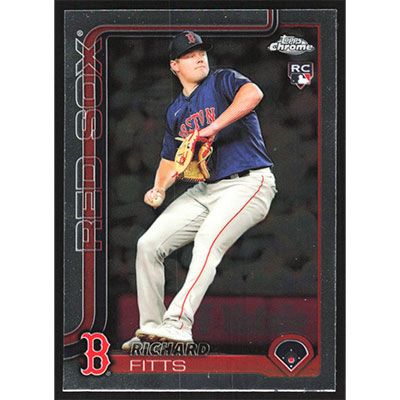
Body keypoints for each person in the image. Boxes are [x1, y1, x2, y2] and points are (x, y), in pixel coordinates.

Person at [122, 31, 277, 350]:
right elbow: (170, 160)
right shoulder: (176, 111)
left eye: (201, 52)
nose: (199, 58)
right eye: (190, 55)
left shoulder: (222, 80)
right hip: (206, 190)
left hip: (248, 182)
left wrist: (213, 127)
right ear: (174, 65)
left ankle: (178, 324)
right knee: (148, 245)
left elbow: (253, 94)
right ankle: (152, 329)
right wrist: (159, 188)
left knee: (207, 240)